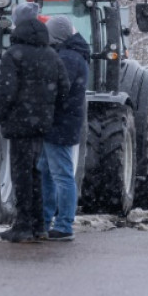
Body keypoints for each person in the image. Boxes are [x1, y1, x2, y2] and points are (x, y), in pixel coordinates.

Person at [0, 3, 70, 243]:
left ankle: (23, 224)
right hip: (41, 125)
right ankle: (39, 225)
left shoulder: (13, 54)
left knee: (21, 174)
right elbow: (64, 89)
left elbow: (7, 90)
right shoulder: (51, 55)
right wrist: (48, 111)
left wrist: (2, 114)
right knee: (36, 174)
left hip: (19, 124)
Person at [39, 16, 89, 241]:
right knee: (47, 171)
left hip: (59, 123)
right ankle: (46, 219)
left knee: (61, 175)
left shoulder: (67, 57)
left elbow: (58, 90)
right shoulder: (72, 55)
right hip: (61, 122)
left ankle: (64, 224)